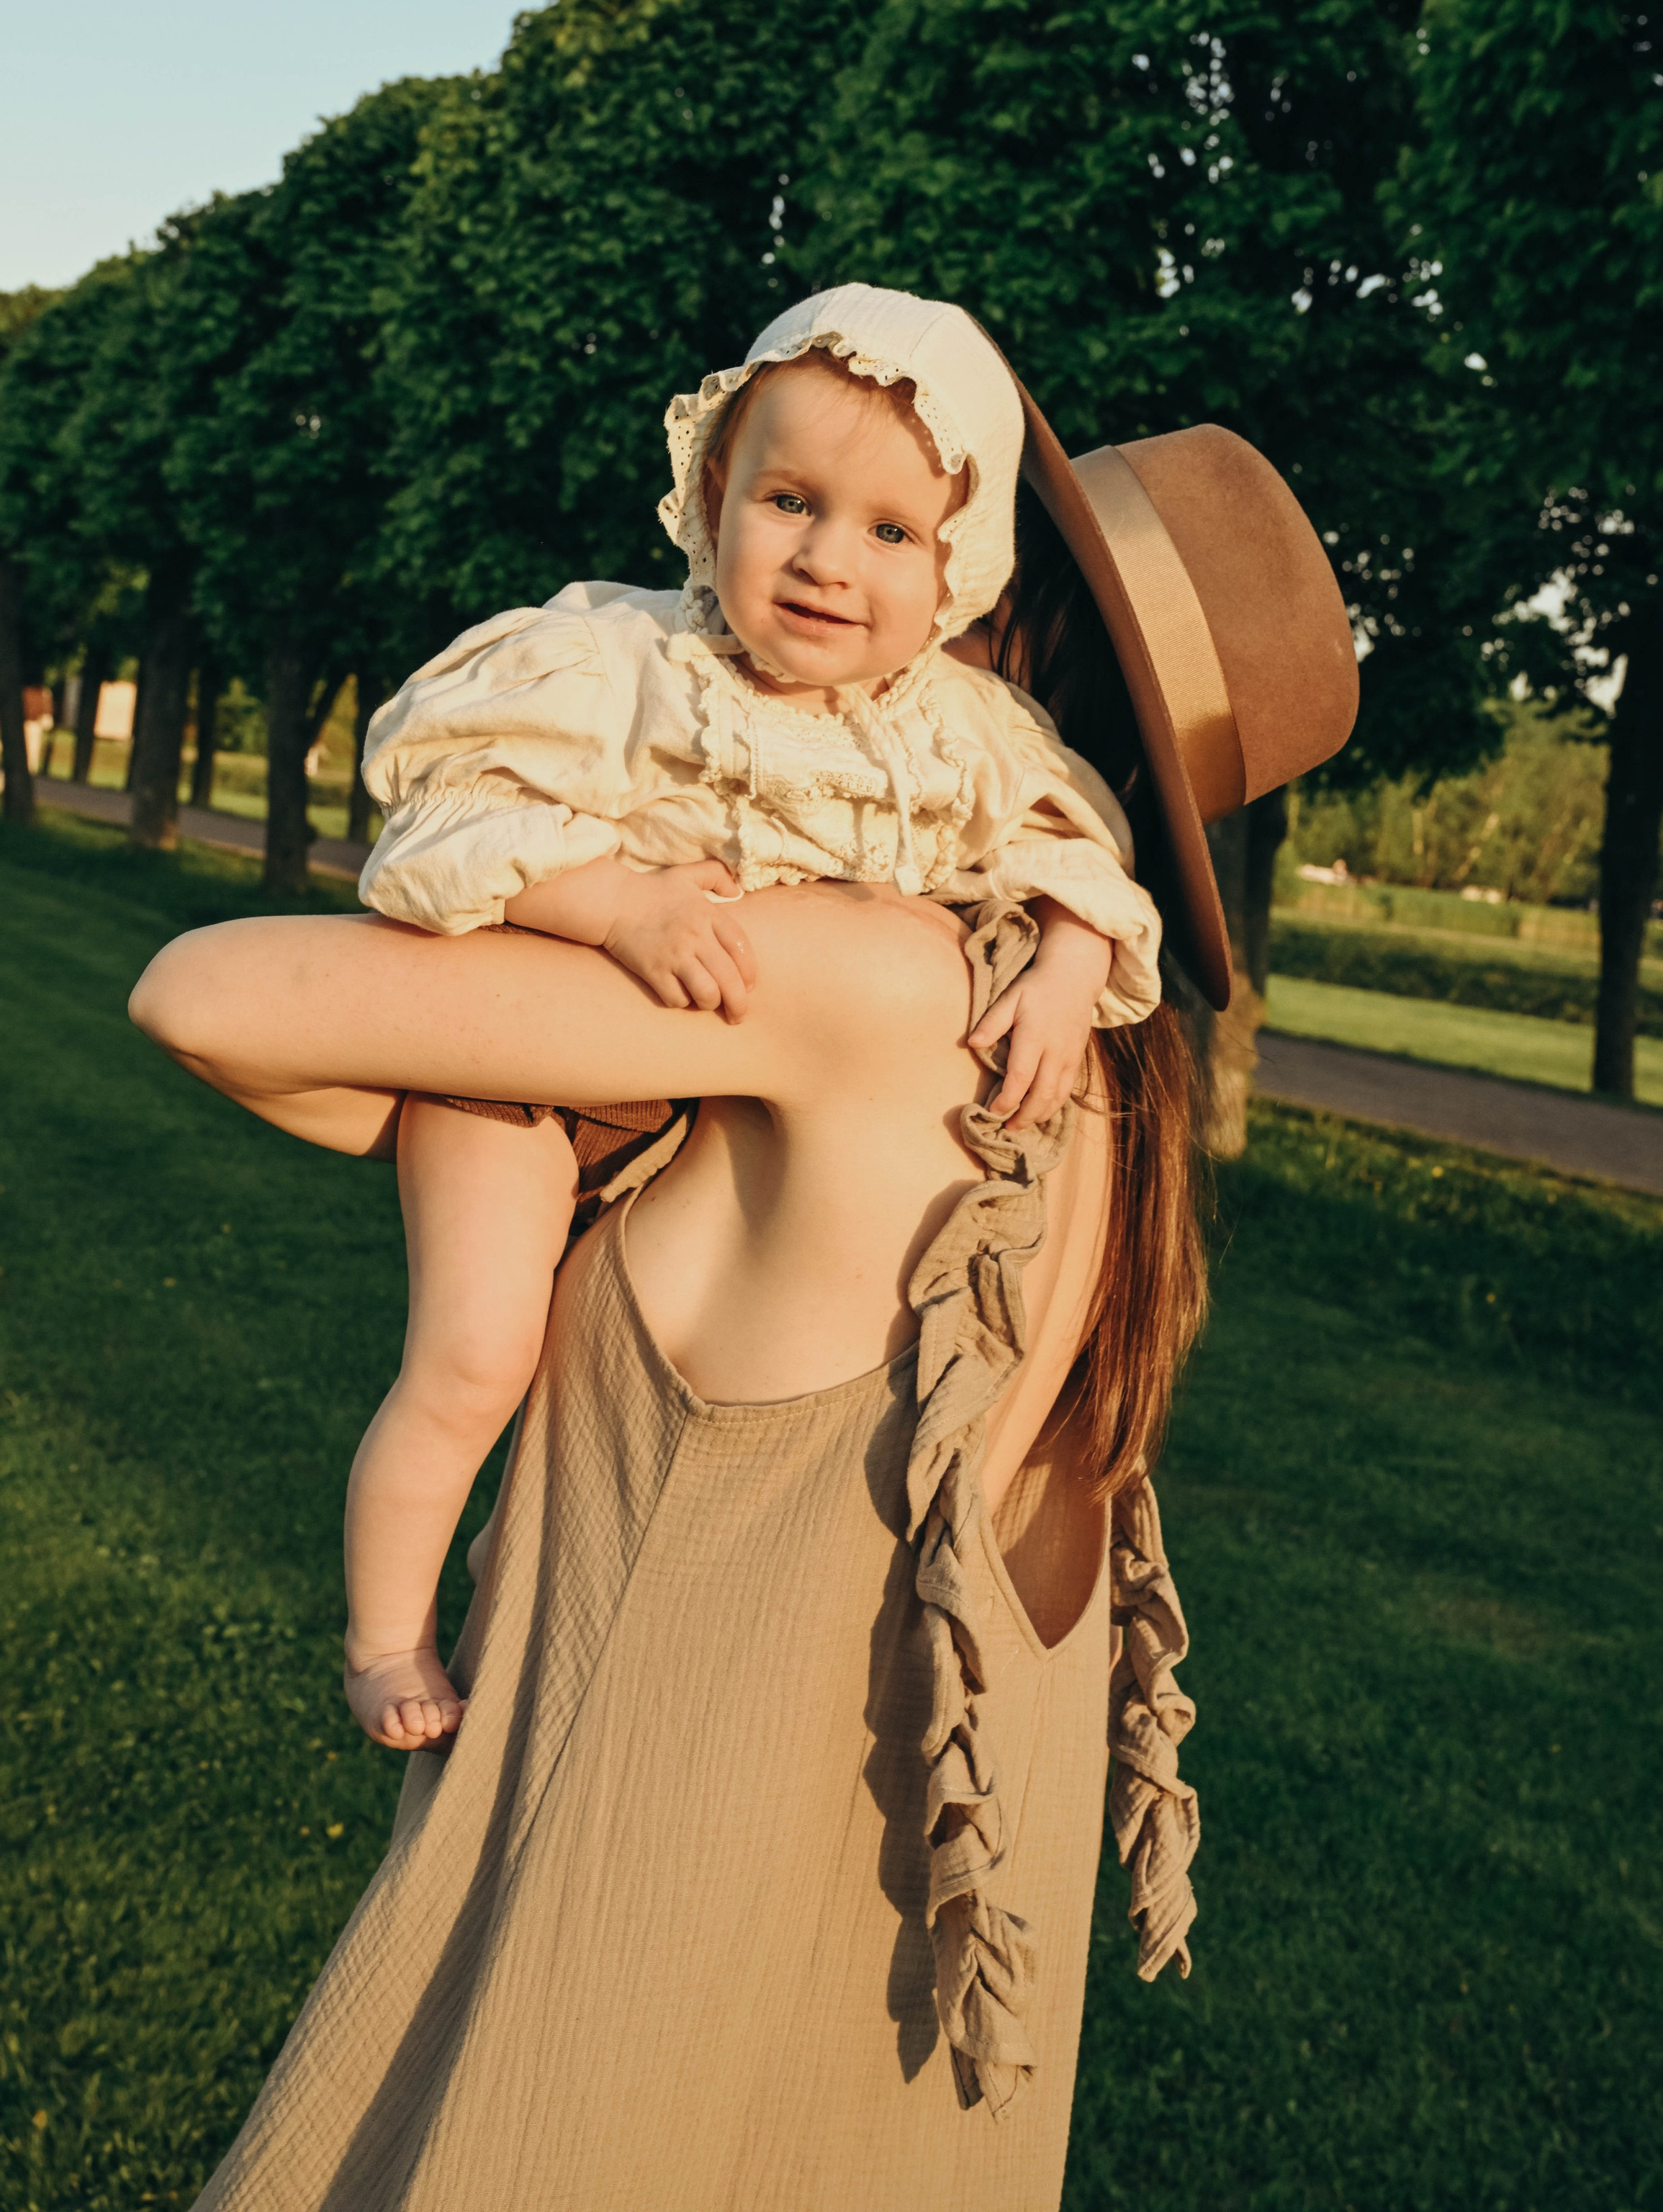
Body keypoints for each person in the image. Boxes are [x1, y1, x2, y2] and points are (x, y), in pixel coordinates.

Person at [130, 372, 1358, 2210]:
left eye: (927, 544)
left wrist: (600, 905)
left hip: (601, 2007)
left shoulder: (859, 975)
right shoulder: (1105, 1094)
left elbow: (208, 999)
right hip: (830, 2083)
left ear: (986, 622)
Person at [341, 285, 1164, 1750]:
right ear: (713, 492)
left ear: (956, 575)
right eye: (789, 500)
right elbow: (432, 831)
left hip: (725, 1117)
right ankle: (382, 1638)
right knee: (474, 1351)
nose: (826, 560)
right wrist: (616, 906)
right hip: (540, 1068)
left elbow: (1072, 855)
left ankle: (513, 1599)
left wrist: (1055, 959)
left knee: (597, 1393)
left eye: (889, 532)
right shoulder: (623, 664)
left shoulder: (950, 735)